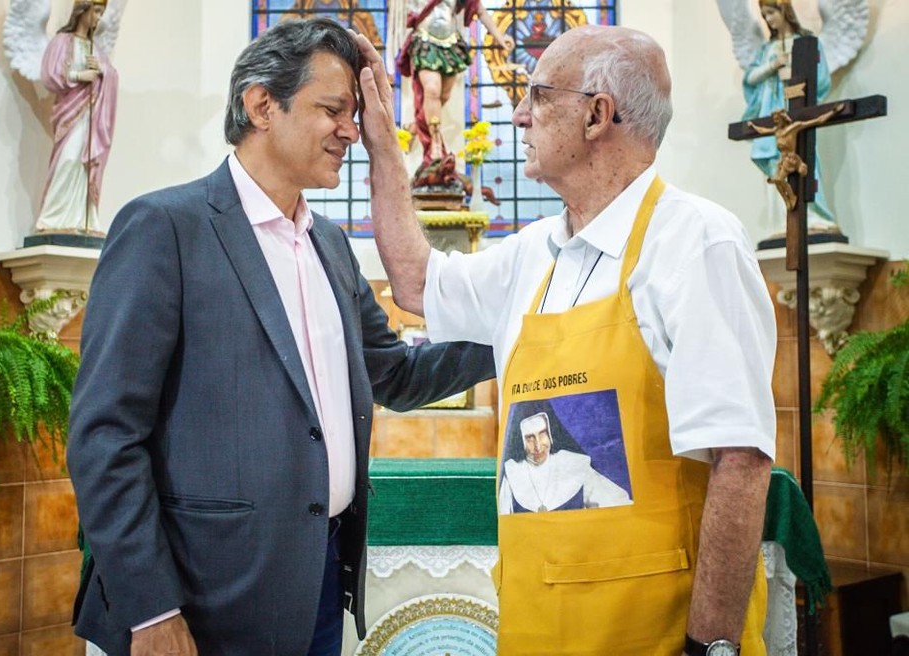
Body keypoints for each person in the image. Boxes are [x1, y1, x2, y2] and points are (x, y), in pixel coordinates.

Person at [67, 18, 495, 656]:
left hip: (318, 583)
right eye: (333, 109)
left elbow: (396, 376)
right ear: (262, 104)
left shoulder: (328, 245)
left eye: (354, 113)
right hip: (199, 595)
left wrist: (517, 332)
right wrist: (151, 608)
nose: (351, 130)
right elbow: (105, 435)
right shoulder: (165, 228)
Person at [356, 22, 776, 655]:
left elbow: (741, 462)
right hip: (537, 628)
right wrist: (385, 145)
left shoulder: (693, 242)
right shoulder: (534, 252)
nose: (520, 116)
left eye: (539, 96)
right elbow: (416, 283)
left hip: (651, 635)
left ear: (597, 115)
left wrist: (709, 647)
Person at [742, 0, 834, 226]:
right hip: (773, 111)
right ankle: (783, 220)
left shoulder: (807, 43)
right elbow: (750, 79)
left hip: (799, 110)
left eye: (772, 13)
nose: (769, 19)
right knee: (776, 165)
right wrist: (773, 66)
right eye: (765, 16)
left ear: (784, 10)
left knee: (806, 157)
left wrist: (795, 72)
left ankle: (813, 214)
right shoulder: (767, 50)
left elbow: (821, 80)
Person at [37, 0, 118, 235]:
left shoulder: (96, 49)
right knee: (69, 159)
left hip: (91, 118)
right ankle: (52, 218)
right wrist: (79, 74)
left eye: (101, 13)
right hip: (70, 114)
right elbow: (50, 75)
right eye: (95, 11)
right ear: (82, 10)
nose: (98, 18)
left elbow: (111, 75)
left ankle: (85, 219)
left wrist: (103, 71)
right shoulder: (62, 41)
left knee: (85, 165)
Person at [397, 0, 513, 163]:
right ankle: (435, 143)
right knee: (432, 90)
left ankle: (414, 128)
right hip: (424, 41)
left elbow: (479, 10)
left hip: (450, 42)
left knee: (443, 96)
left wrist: (500, 39)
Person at [498, 411, 632, 514]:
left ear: (551, 433)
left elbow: (617, 502)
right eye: (529, 438)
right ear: (520, 440)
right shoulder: (513, 472)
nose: (538, 446)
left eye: (542, 433)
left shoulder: (573, 463)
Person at [747, 104, 843, 210]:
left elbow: (818, 120)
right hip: (782, 160)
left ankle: (792, 197)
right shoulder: (777, 131)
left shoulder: (795, 127)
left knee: (779, 179)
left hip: (791, 159)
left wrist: (833, 111)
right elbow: (763, 131)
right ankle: (788, 199)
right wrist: (753, 126)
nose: (776, 121)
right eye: (775, 120)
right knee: (778, 182)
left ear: (783, 118)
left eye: (777, 119)